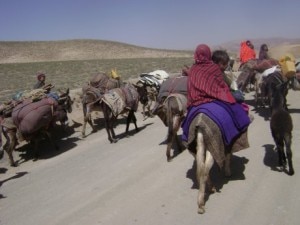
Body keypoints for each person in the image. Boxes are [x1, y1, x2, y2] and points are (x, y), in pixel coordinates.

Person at [182, 44, 251, 150]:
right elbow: (222, 87)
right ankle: (237, 140)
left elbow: (190, 89)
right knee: (239, 104)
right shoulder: (213, 68)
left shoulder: (193, 70)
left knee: (186, 119)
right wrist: (227, 94)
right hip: (214, 97)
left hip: (195, 100)